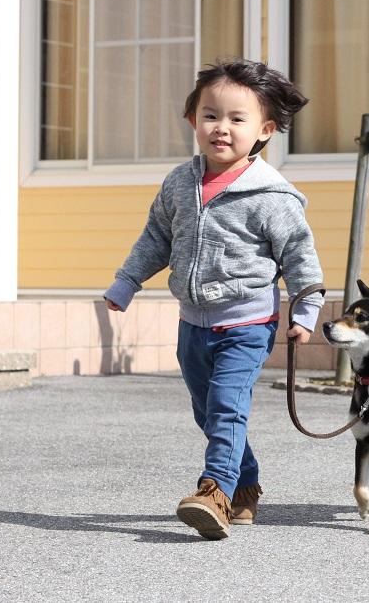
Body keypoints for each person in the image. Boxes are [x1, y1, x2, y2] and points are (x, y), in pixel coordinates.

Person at [103, 58, 324, 540]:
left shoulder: (272, 196)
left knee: (226, 405)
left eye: (236, 119)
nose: (221, 128)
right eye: (210, 115)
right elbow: (156, 238)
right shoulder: (180, 183)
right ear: (191, 120)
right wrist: (126, 283)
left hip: (247, 324)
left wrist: (305, 310)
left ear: (265, 130)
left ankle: (214, 492)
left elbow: (300, 258)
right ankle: (245, 488)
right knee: (207, 411)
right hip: (192, 323)